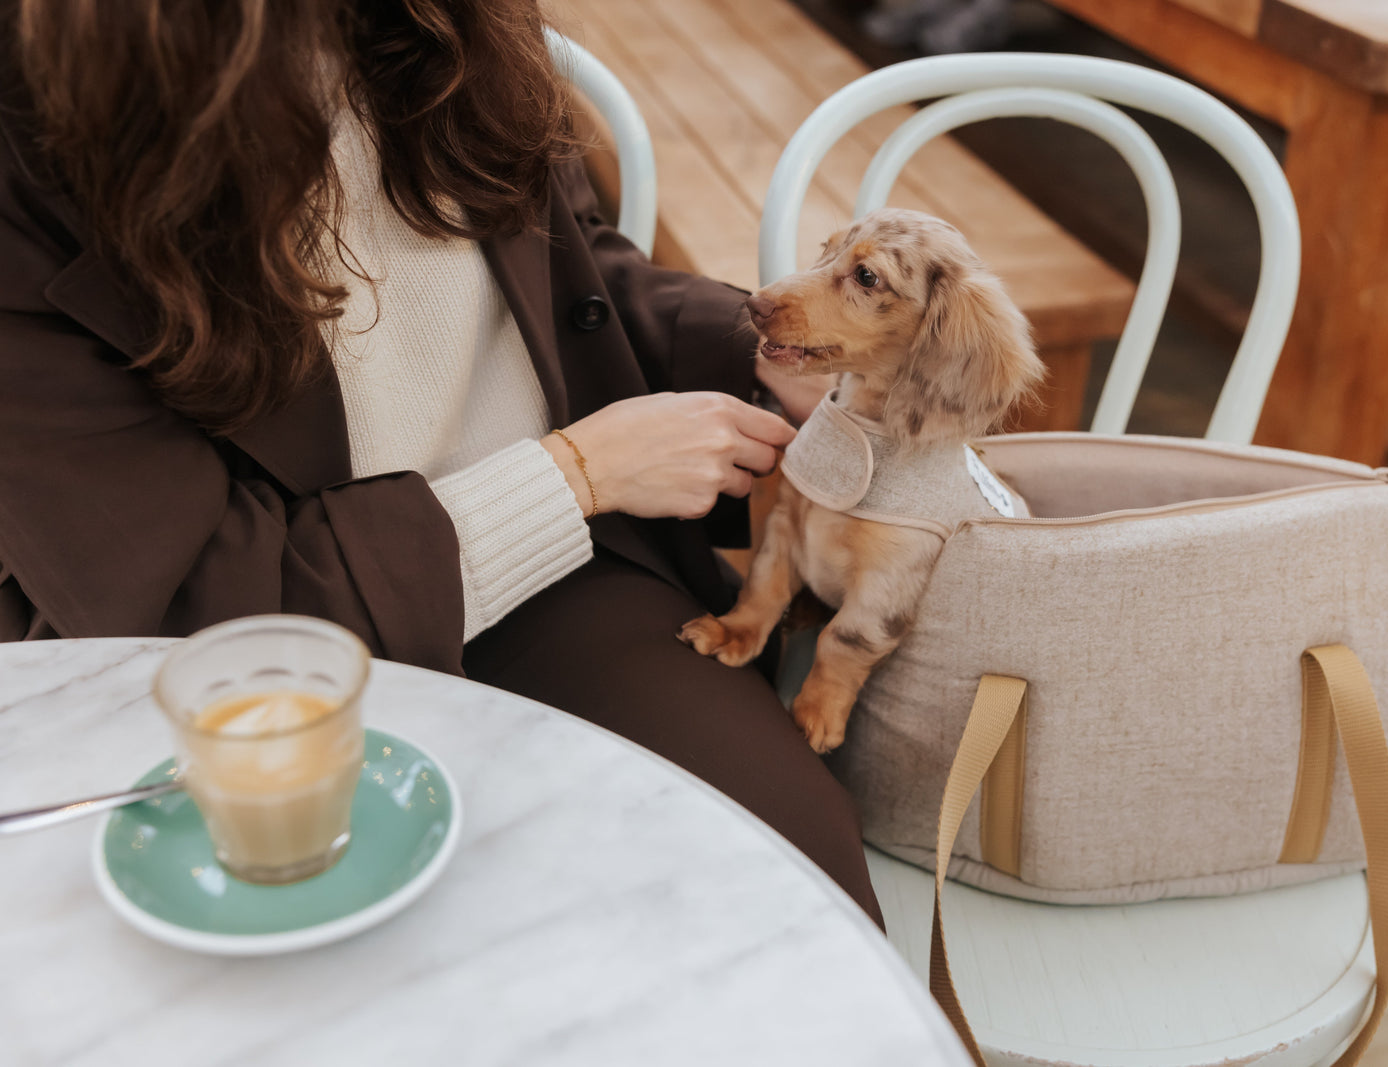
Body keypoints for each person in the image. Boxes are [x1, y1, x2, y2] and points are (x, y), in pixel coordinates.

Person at [0, 0, 880, 924]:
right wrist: (572, 476)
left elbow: (570, 270)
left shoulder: (447, 24)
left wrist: (760, 355)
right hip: (245, 656)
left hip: (563, 572)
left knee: (782, 877)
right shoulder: (39, 148)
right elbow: (189, 595)